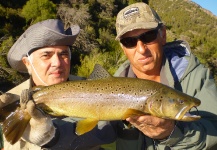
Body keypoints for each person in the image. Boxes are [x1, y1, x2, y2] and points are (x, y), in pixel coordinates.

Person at [113, 2, 217, 150]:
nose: (141, 49)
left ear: (163, 35)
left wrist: (172, 133)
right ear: (123, 49)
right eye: (130, 41)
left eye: (148, 36)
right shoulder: (111, 85)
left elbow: (214, 131)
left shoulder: (196, 77)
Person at [0, 19, 116, 150]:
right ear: (27, 63)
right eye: (46, 55)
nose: (57, 63)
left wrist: (50, 138)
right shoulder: (8, 103)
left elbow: (106, 134)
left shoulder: (94, 90)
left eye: (63, 54)